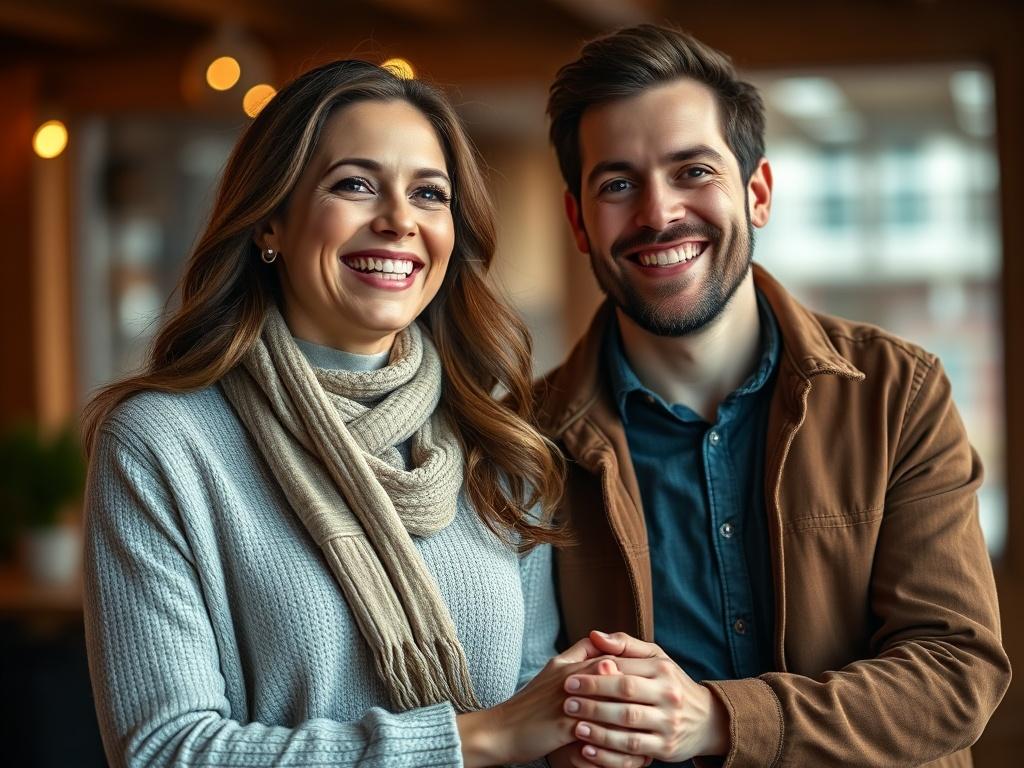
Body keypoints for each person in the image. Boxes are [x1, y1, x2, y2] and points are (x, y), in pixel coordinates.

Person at [81, 59, 609, 767]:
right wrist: (470, 740)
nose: (398, 221)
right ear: (271, 220)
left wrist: (585, 724)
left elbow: (526, 706)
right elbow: (164, 751)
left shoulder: (497, 438)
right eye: (354, 185)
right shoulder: (164, 443)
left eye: (428, 193)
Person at [536, 24, 1011, 768]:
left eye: (693, 171)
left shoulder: (897, 393)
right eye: (619, 184)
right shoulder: (522, 441)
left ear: (756, 193)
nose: (659, 214)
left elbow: (955, 676)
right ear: (578, 222)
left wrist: (717, 718)